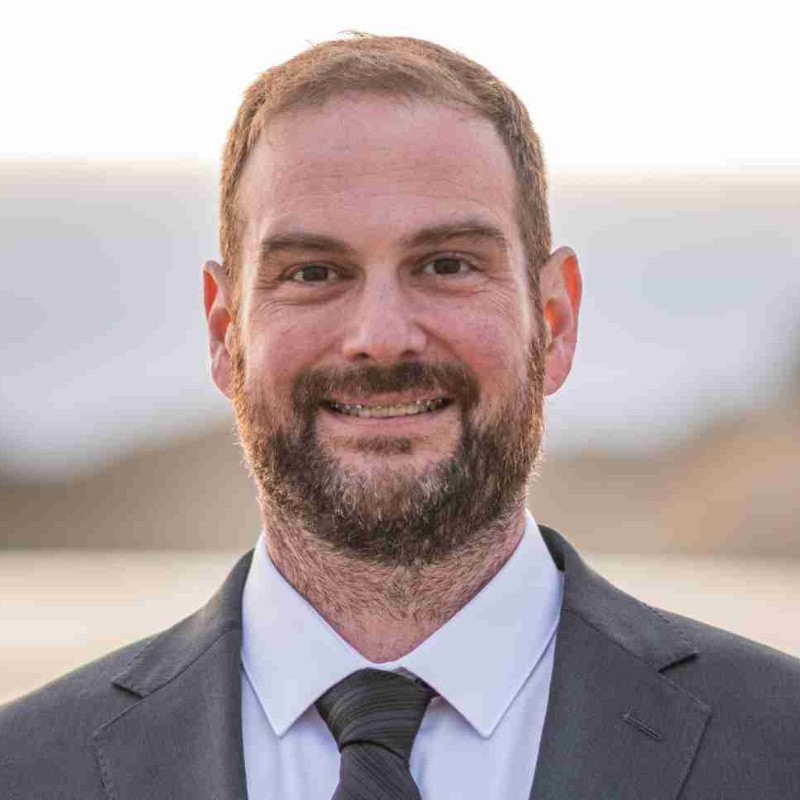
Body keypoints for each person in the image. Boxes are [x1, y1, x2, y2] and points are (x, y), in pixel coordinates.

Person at [1, 33, 799, 800]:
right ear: (223, 333)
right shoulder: (26, 771)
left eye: (447, 265)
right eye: (314, 272)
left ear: (554, 321)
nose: (381, 337)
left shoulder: (780, 747)